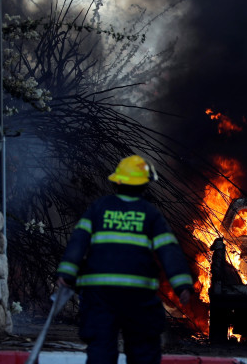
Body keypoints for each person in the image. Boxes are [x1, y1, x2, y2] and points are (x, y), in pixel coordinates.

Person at [56, 155, 194, 364]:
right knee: (143, 350)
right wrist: (181, 284)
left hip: (99, 293)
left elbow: (78, 241)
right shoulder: (150, 214)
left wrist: (66, 273)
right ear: (145, 185)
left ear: (117, 181)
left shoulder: (98, 208)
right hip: (137, 296)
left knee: (101, 349)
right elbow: (168, 249)